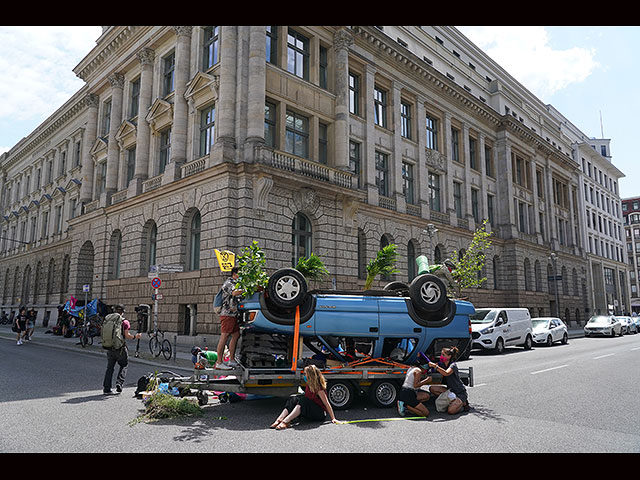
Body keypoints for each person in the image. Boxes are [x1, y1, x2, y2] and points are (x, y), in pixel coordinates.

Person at [270, 364, 342, 429]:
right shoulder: (309, 385)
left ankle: (285, 421)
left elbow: (327, 403)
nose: (304, 375)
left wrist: (333, 418)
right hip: (310, 410)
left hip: (319, 413)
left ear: (310, 375)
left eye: (305, 374)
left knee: (304, 400)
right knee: (294, 398)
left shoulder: (319, 388)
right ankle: (279, 420)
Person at [103, 304, 142, 395]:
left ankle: (106, 388)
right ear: (123, 312)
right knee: (124, 365)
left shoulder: (108, 319)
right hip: (120, 348)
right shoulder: (125, 322)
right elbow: (127, 336)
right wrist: (136, 337)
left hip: (109, 347)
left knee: (110, 368)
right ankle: (119, 383)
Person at [215, 267, 244, 370]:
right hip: (227, 314)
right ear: (234, 274)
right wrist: (247, 289)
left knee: (236, 335)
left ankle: (231, 360)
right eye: (240, 274)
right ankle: (219, 362)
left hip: (234, 315)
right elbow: (234, 293)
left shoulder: (237, 284)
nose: (241, 276)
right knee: (224, 336)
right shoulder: (228, 283)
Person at [428, 346, 470, 414]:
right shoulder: (442, 364)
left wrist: (435, 366)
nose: (441, 356)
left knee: (451, 411)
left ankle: (463, 403)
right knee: (432, 388)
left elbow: (446, 373)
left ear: (449, 356)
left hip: (459, 392)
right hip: (450, 390)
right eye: (441, 354)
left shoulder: (453, 365)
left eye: (443, 355)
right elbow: (435, 368)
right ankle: (452, 400)